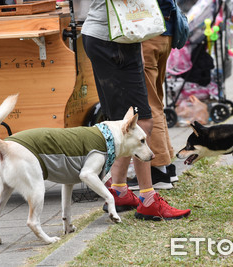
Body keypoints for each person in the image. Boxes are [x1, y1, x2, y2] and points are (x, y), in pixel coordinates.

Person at [81, 0, 190, 220]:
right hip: (114, 39)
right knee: (143, 122)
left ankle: (119, 190)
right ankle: (148, 199)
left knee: (125, 121)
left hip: (112, 37)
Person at [127, 0, 178, 191]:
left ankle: (157, 170)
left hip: (148, 35)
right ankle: (166, 165)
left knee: (147, 105)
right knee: (156, 101)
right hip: (165, 32)